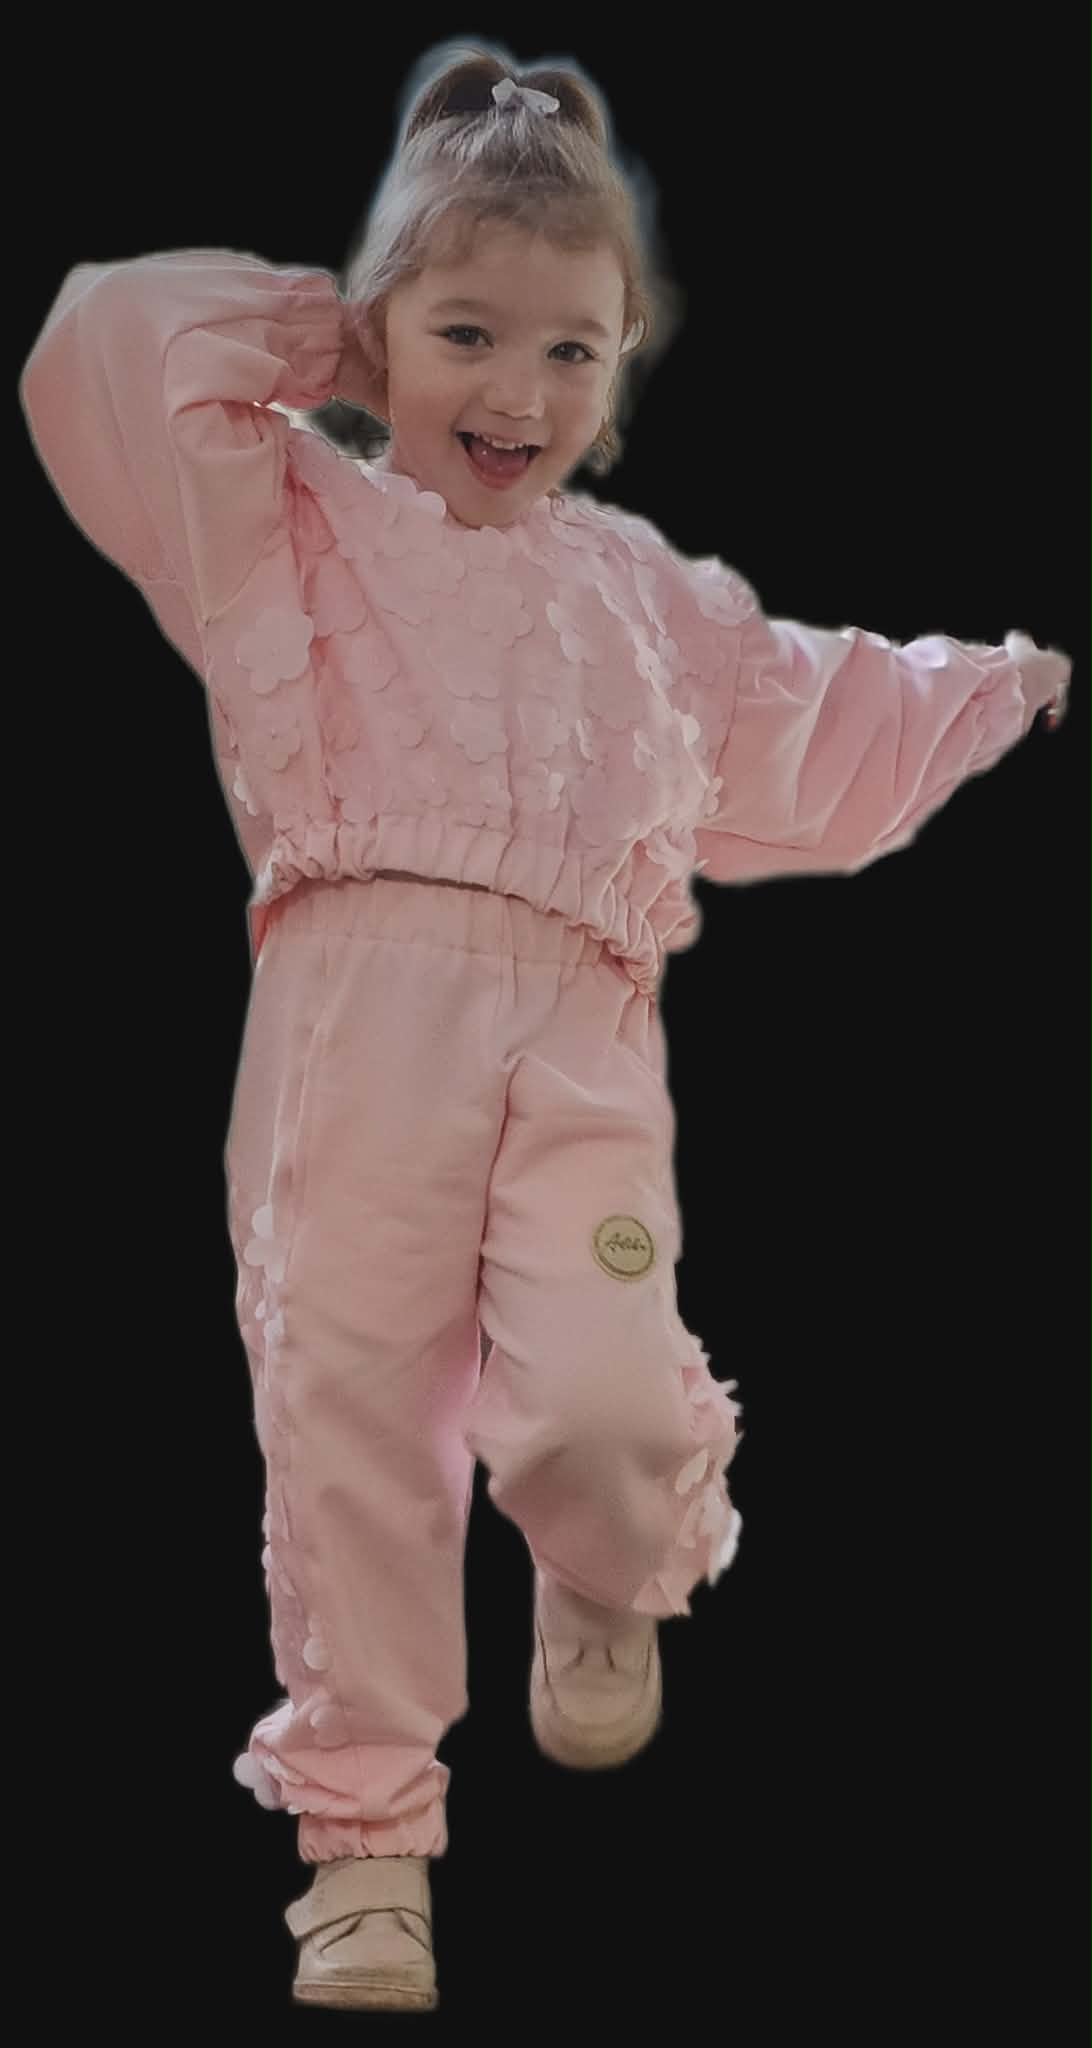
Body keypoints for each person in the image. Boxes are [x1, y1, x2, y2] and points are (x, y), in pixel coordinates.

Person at [18, 37, 1071, 2017]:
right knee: (351, 1415)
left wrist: (994, 684)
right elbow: (105, 337)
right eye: (465, 334)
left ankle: (603, 1558)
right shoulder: (289, 528)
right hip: (356, 1024)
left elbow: (813, 710)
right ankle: (366, 1840)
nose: (517, 389)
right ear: (382, 332)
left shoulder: (643, 596)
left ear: (621, 367)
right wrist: (329, 339)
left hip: (587, 1022)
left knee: (607, 1392)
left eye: (571, 350)